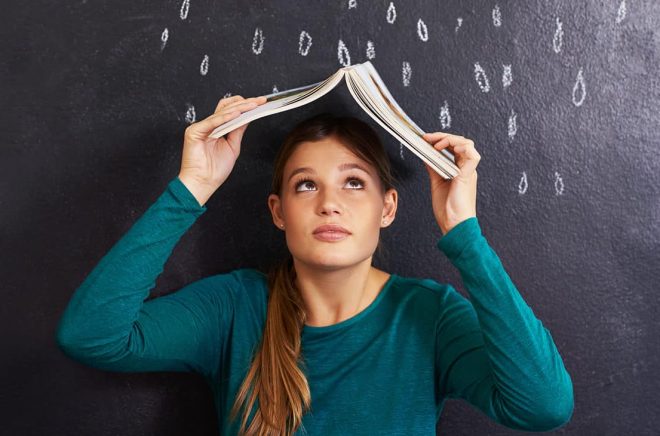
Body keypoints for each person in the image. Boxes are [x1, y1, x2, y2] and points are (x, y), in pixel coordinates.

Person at [56, 95, 574, 436]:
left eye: (354, 183)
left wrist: (464, 233)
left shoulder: (430, 317)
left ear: (387, 208)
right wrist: (192, 187)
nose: (330, 203)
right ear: (279, 212)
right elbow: (92, 336)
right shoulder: (235, 307)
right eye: (307, 184)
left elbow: (543, 406)